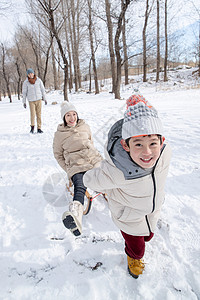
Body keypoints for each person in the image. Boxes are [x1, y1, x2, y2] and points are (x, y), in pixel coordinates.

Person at [83, 94, 171, 279]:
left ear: (162, 142)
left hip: (152, 209)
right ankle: (134, 258)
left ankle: (140, 242)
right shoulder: (118, 170)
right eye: (138, 144)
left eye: (153, 144)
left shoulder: (164, 154)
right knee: (137, 246)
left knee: (148, 236)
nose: (147, 152)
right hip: (128, 217)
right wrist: (98, 173)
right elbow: (90, 180)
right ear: (126, 145)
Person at [53, 101, 102, 236]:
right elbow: (58, 155)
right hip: (76, 164)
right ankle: (76, 215)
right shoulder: (59, 134)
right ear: (64, 118)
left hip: (93, 159)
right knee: (80, 185)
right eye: (68, 115)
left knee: (107, 176)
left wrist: (95, 156)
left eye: (74, 114)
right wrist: (68, 169)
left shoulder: (85, 126)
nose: (72, 118)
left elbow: (91, 142)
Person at [22, 68, 47, 133]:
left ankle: (39, 128)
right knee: (32, 114)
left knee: (39, 114)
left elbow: (42, 90)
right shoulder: (26, 82)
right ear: (27, 75)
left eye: (31, 73)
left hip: (39, 99)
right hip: (31, 101)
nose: (30, 75)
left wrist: (45, 98)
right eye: (29, 74)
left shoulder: (38, 80)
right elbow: (24, 93)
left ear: (33, 73)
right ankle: (32, 127)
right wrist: (24, 102)